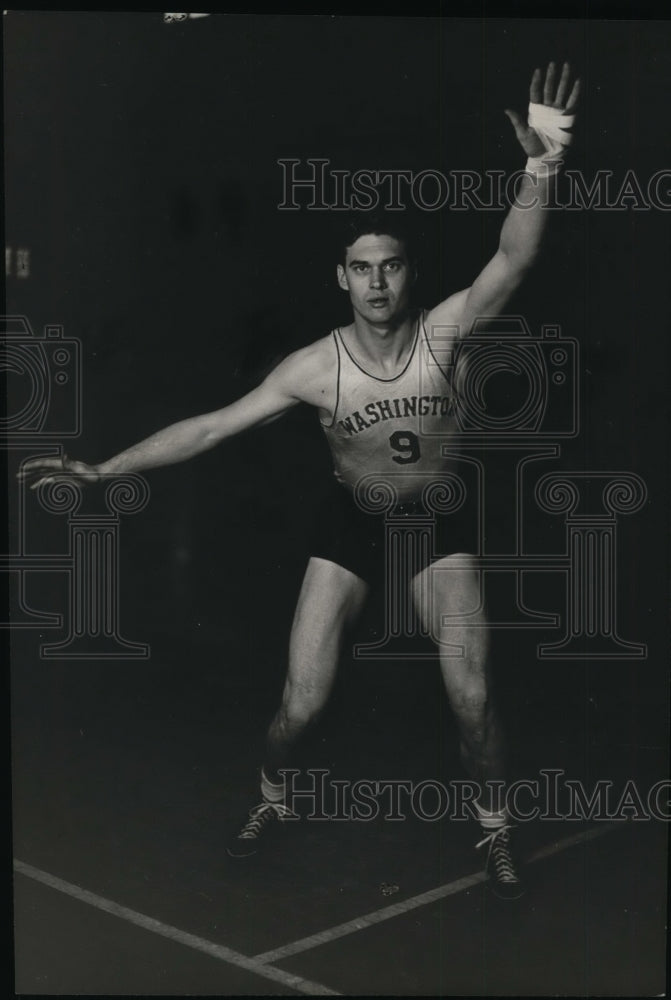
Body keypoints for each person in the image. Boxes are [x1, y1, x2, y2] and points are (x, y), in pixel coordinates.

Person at [20, 62, 580, 899]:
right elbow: (210, 426)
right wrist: (103, 468)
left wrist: (541, 165)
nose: (378, 281)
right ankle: (272, 797)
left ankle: (493, 829)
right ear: (342, 279)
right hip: (350, 524)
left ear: (408, 275)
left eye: (390, 265)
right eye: (361, 268)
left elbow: (513, 257)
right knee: (300, 708)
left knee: (471, 697)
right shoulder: (312, 370)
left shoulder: (446, 332)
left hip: (438, 523)